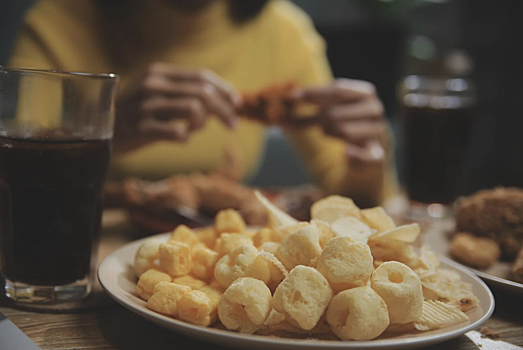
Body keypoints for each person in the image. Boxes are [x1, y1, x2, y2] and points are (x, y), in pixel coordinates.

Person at [7, 0, 399, 207]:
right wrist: (99, 129)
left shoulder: (283, 32)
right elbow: (13, 185)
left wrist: (366, 160)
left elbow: (352, 192)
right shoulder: (57, 21)